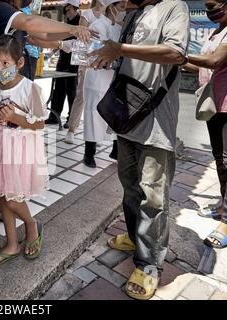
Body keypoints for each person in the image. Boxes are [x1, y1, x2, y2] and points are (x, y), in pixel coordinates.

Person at [89, 0, 189, 300]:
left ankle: (149, 265)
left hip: (156, 121)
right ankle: (136, 238)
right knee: (130, 186)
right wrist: (112, 59)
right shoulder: (133, 14)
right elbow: (131, 60)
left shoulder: (176, 7)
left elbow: (175, 52)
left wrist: (120, 50)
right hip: (127, 116)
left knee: (152, 195)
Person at [0, 0, 95, 222]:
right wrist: (72, 28)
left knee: (7, 135)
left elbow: (39, 37)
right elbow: (30, 22)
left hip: (4, 84)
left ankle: (3, 186)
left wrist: (68, 41)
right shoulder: (0, 7)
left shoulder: (13, 14)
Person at [0, 35, 49, 266]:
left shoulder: (29, 88)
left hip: (19, 151)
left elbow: (40, 123)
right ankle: (12, 243)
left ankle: (32, 224)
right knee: (3, 198)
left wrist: (14, 116)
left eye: (6, 63)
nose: (0, 68)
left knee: (13, 199)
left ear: (20, 62)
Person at [184, 0, 227, 248]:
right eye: (207, 6)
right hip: (213, 102)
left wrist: (176, 53)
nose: (210, 10)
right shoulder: (217, 30)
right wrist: (177, 61)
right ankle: (223, 204)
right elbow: (198, 64)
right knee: (219, 158)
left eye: (214, 5)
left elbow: (213, 61)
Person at [81, 0, 125, 167]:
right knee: (93, 114)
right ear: (111, 8)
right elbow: (96, 53)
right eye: (121, 7)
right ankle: (89, 154)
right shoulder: (98, 26)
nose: (123, 11)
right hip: (97, 78)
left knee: (116, 115)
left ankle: (115, 150)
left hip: (112, 79)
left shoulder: (119, 28)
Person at [64, 0, 105, 144]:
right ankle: (72, 129)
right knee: (81, 95)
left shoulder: (110, 14)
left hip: (103, 62)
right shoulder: (87, 14)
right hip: (86, 61)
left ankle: (96, 134)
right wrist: (84, 62)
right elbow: (80, 38)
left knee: (100, 97)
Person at [45, 0, 80, 128]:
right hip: (62, 60)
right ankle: (54, 116)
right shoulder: (66, 23)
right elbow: (60, 40)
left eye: (66, 8)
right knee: (58, 89)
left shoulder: (80, 21)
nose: (65, 11)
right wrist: (52, 51)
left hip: (74, 62)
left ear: (71, 6)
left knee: (72, 91)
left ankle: (71, 119)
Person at [20, 0, 41, 81]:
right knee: (24, 86)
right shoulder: (22, 13)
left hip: (30, 55)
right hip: (25, 55)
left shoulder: (28, 13)